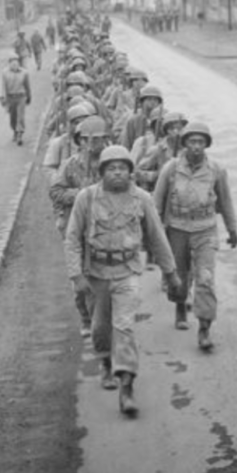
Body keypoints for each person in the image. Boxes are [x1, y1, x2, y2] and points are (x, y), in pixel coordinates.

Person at [64, 145, 182, 416]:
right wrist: (76, 275)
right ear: (102, 172)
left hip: (127, 271)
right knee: (100, 329)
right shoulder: (87, 198)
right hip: (96, 274)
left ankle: (126, 385)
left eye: (123, 168)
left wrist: (171, 272)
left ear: (131, 172)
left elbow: (156, 236)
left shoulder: (141, 198)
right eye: (111, 168)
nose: (117, 173)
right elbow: (72, 238)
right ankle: (106, 363)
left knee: (124, 326)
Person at [153, 122, 237, 347]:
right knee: (178, 276)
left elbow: (226, 201)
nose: (197, 147)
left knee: (206, 279)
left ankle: (204, 328)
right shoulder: (171, 168)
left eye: (201, 142)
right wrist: (155, 233)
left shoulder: (216, 170)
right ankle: (180, 306)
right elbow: (157, 202)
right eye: (192, 141)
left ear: (206, 144)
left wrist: (232, 228)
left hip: (205, 229)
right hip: (177, 229)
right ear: (185, 143)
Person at [50, 116, 111, 338]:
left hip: (106, 230)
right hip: (78, 230)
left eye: (98, 140)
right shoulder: (70, 165)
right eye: (87, 140)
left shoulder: (112, 164)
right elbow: (55, 191)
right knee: (80, 283)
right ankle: (85, 317)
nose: (92, 144)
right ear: (80, 141)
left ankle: (104, 322)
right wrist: (80, 195)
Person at [0, 55, 31, 145]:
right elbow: (3, 87)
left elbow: (27, 86)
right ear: (9, 64)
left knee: (20, 117)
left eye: (16, 62)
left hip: (21, 97)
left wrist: (29, 97)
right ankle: (15, 131)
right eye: (12, 62)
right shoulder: (5, 73)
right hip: (10, 98)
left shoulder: (24, 73)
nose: (14, 64)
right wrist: (3, 98)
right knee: (13, 117)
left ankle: (20, 135)